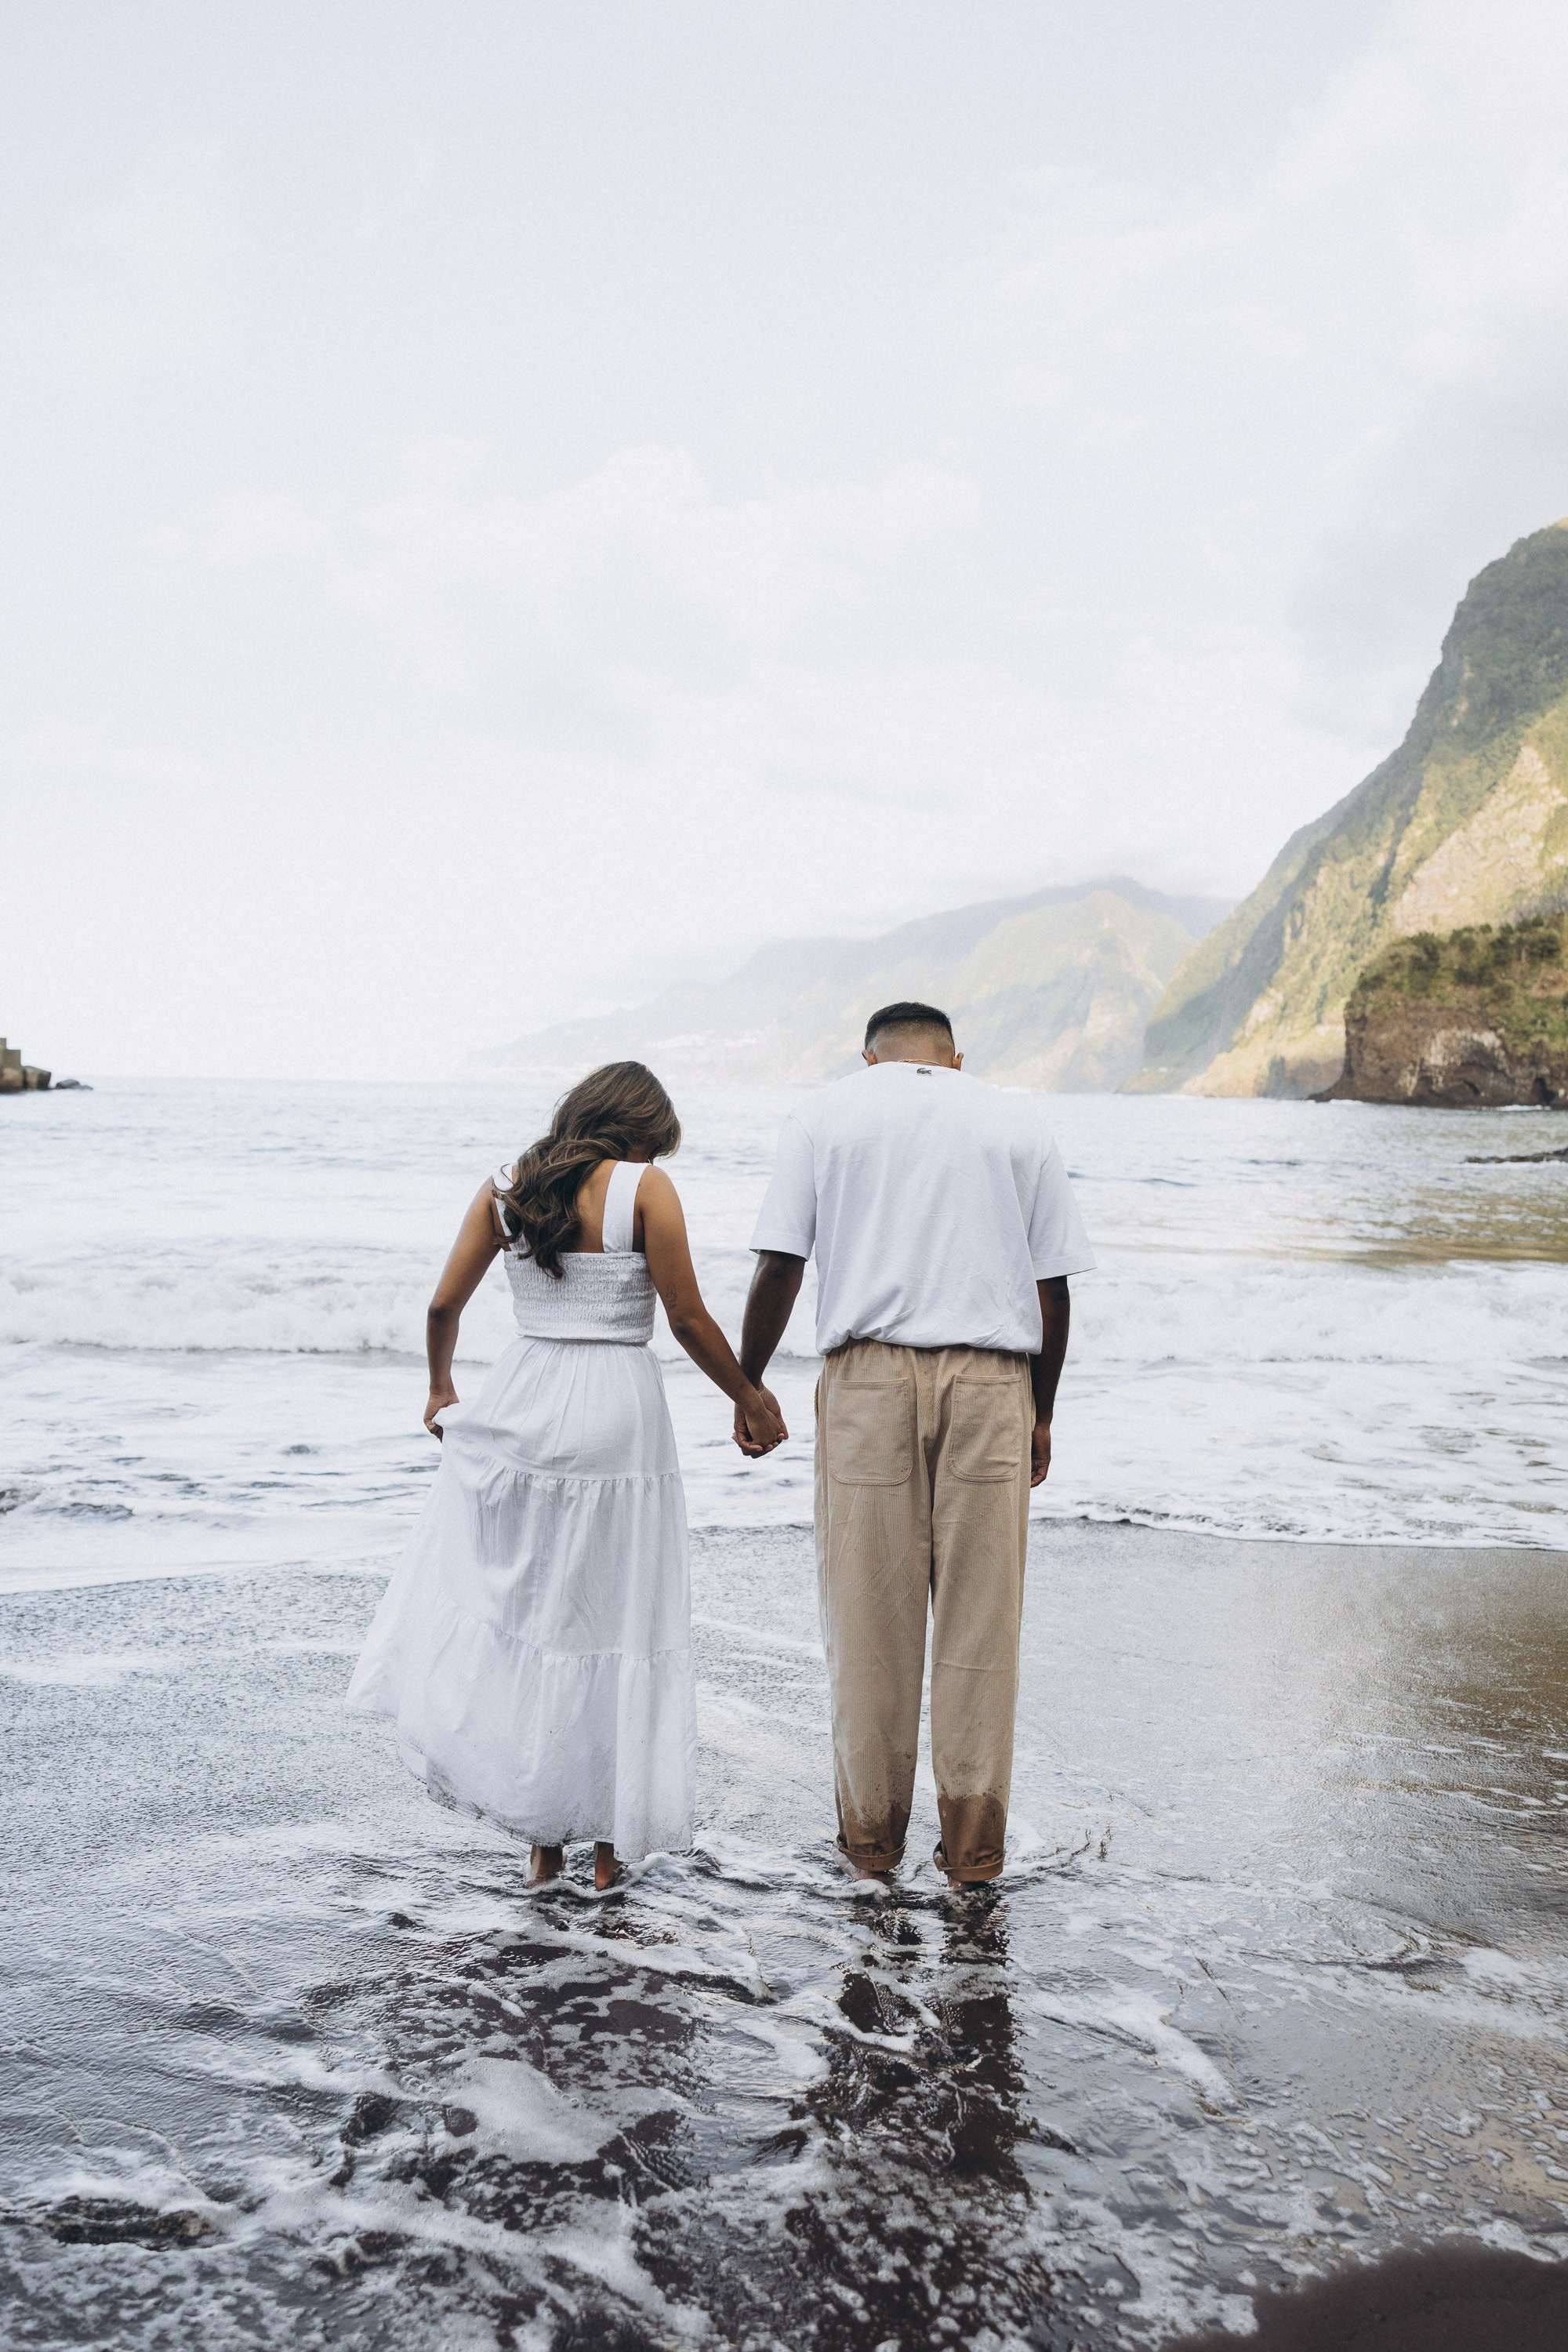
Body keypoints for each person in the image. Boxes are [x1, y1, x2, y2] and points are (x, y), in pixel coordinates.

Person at [347, 1062, 786, 1891]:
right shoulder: (645, 1189)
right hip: (617, 1412)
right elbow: (687, 1317)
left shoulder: (508, 1185)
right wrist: (748, 1395)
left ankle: (543, 1847)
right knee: (615, 1620)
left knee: (539, 1619)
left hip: (525, 1401)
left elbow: (443, 1305)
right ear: (638, 1128)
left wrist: (441, 1387)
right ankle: (608, 1858)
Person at [735, 1001, 1094, 1888]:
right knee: (981, 1628)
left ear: (868, 1058)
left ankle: (870, 1852)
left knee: (868, 1627)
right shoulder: (1015, 1118)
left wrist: (748, 1384)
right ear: (955, 1056)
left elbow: (779, 1263)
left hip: (865, 1382)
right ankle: (973, 1857)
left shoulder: (825, 1112)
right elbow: (1051, 1289)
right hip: (991, 1382)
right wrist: (1040, 1411)